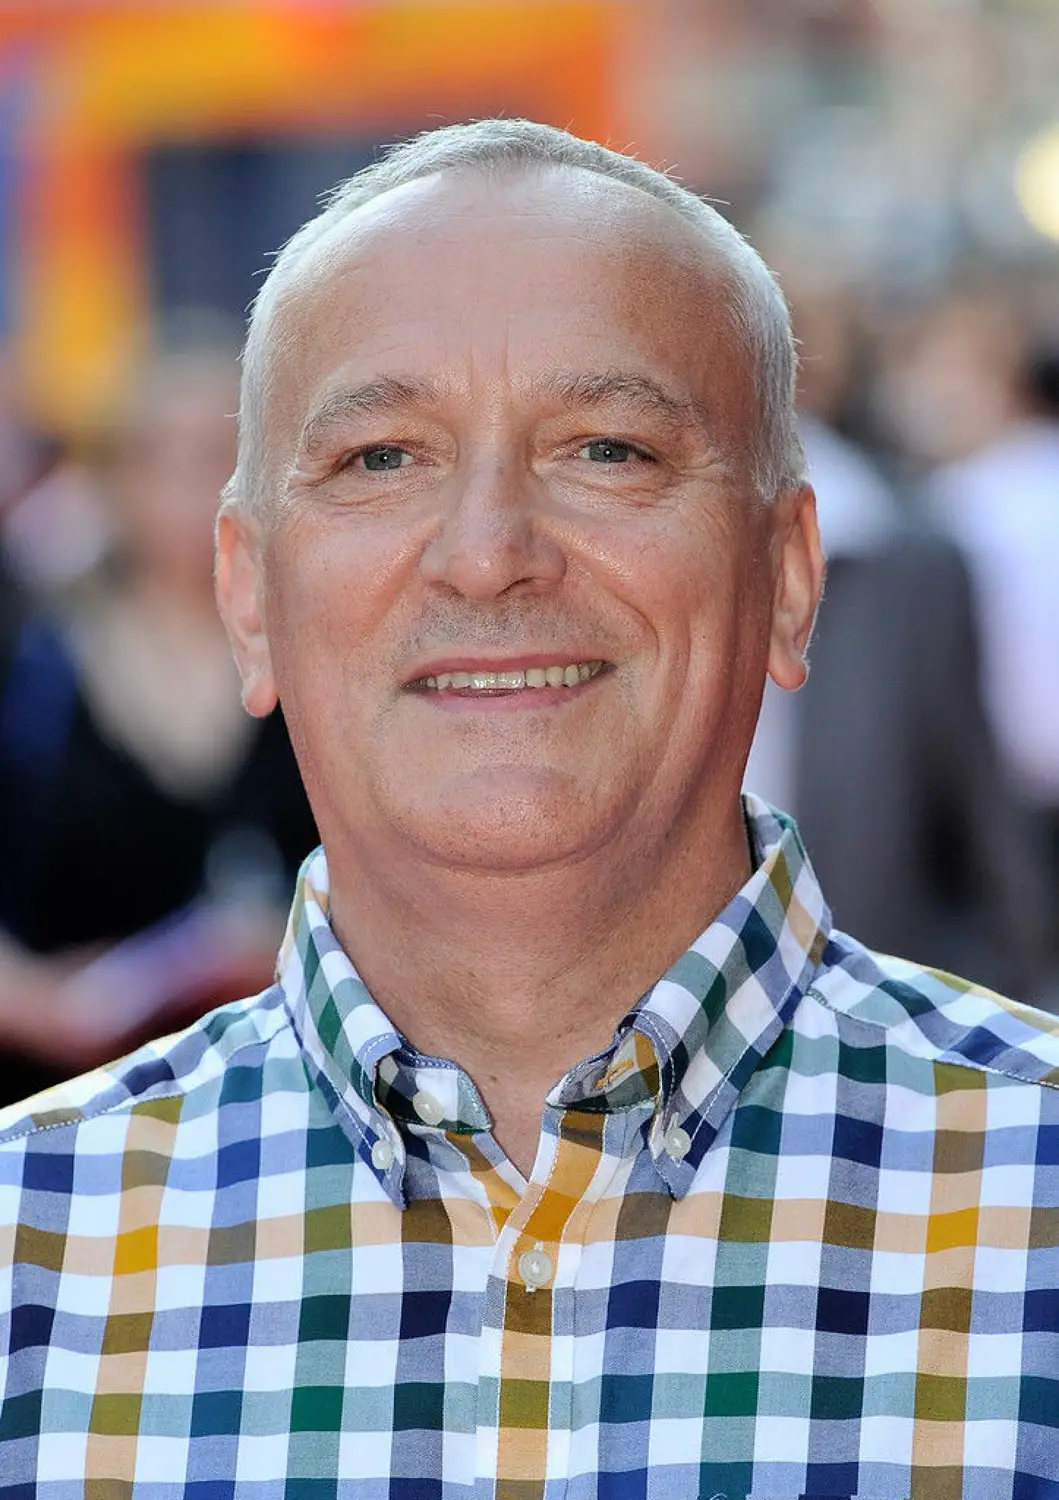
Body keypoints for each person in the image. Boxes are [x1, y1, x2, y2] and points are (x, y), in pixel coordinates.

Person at [1, 119, 1057, 1498]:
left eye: (606, 450)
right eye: (382, 458)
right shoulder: (29, 1250)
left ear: (788, 576)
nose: (489, 552)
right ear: (248, 596)